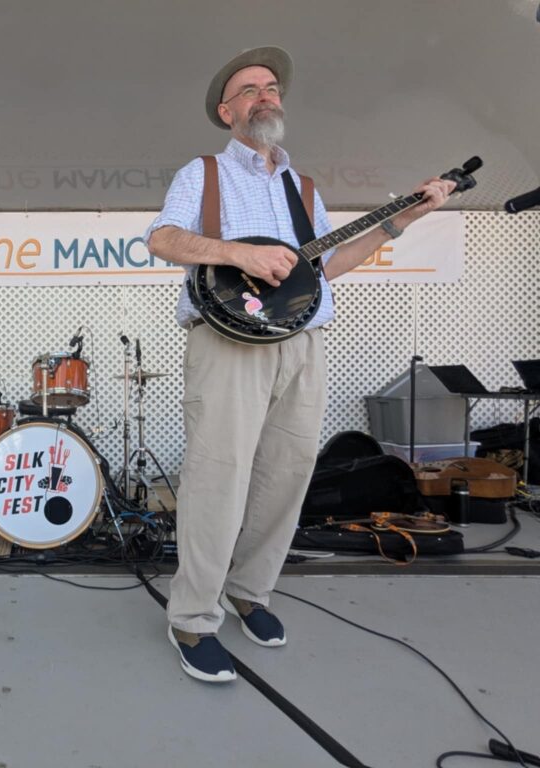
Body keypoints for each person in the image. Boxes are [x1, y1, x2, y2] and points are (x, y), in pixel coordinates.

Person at [145, 46, 455, 683]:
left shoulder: (300, 186)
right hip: (227, 344)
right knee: (217, 479)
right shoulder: (202, 174)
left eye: (272, 86)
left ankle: (249, 591)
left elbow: (325, 267)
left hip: (302, 344)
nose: (266, 94)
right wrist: (240, 254)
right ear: (227, 111)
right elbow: (163, 239)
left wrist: (398, 223)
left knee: (285, 478)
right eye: (250, 88)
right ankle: (193, 616)